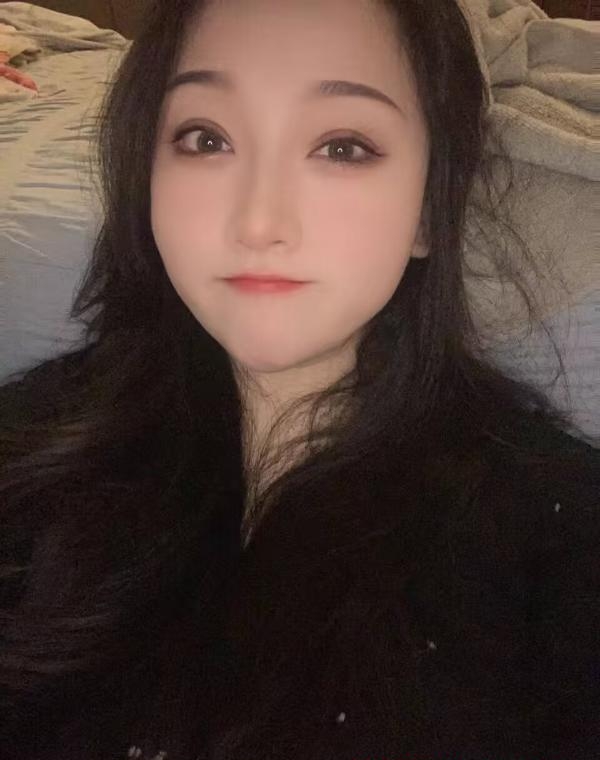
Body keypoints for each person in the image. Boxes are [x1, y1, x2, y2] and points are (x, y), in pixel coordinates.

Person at [0, 0, 598, 758]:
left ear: (427, 211)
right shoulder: (30, 441)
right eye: (205, 138)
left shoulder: (556, 544)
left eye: (342, 147)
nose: (259, 223)